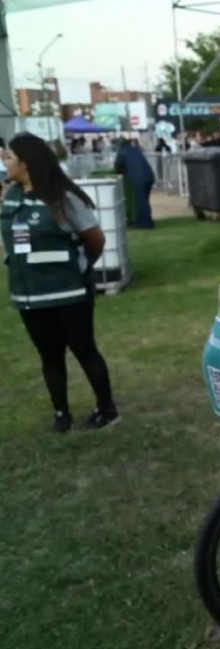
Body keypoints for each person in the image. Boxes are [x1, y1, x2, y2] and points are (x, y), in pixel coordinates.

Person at [1, 132, 120, 432]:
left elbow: (95, 239)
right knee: (49, 356)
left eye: (9, 156)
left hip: (69, 294)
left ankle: (106, 408)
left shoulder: (62, 198)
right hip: (29, 296)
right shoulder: (10, 195)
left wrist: (78, 268)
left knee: (84, 349)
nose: (4, 160)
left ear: (26, 162)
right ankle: (61, 414)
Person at [113, 138, 156, 229]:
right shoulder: (135, 149)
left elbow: (118, 166)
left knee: (140, 201)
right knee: (144, 200)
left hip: (138, 178)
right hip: (149, 176)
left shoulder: (122, 152)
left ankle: (144, 224)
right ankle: (146, 221)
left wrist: (119, 174)